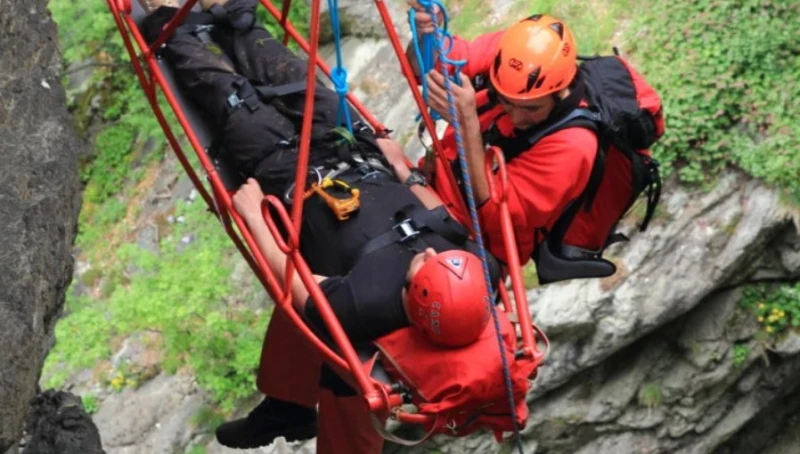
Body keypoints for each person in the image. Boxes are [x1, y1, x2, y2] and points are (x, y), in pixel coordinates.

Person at [136, 0, 500, 451]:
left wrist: (254, 217)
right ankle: (233, 16)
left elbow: (296, 283)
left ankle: (170, 20)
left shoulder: (364, 302)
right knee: (296, 78)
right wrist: (404, 169)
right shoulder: (475, 268)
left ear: (413, 297)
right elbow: (440, 213)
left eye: (424, 264)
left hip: (288, 170)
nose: (427, 252)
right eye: (438, 255)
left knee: (228, 95)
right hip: (357, 152)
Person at [406, 5, 630, 266]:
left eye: (531, 108)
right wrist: (426, 36)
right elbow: (427, 65)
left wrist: (467, 123)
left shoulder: (574, 146)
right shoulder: (508, 56)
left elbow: (496, 216)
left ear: (560, 93)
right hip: (427, 189)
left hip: (473, 244)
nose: (516, 117)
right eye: (506, 102)